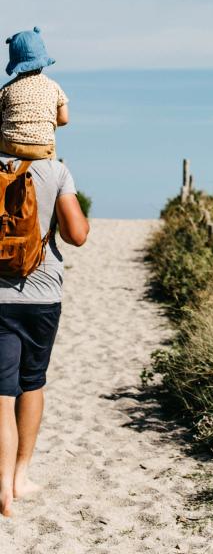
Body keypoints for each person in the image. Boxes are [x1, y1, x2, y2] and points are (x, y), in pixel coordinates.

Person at [0, 153, 89, 517]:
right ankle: (20, 477)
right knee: (32, 382)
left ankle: (1, 483)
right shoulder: (56, 170)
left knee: (1, 389)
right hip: (41, 294)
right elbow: (77, 236)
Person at [0, 27, 69, 160]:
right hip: (44, 147)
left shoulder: (7, 89)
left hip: (12, 145)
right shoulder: (54, 86)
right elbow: (64, 119)